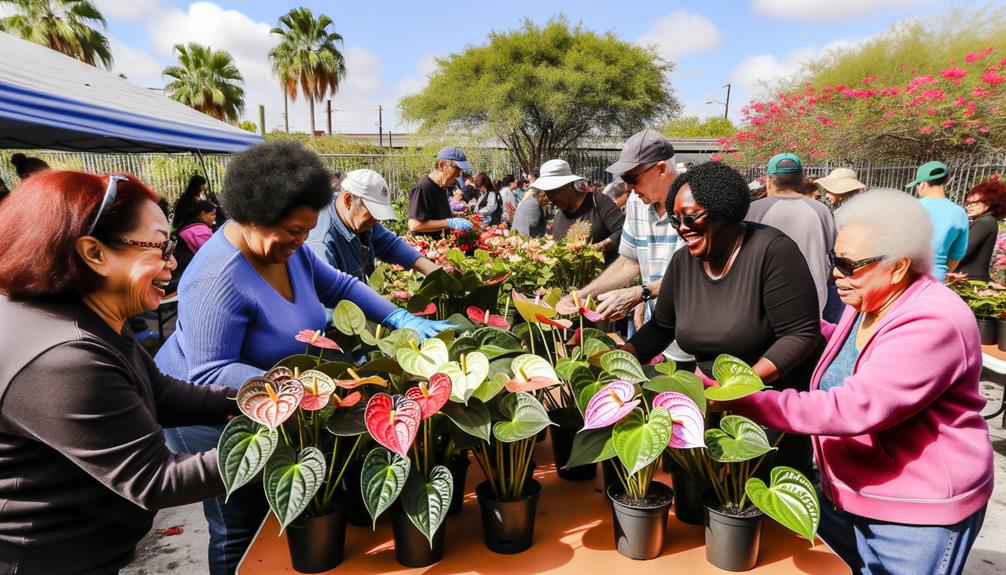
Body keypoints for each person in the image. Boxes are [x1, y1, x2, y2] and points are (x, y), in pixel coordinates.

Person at [155, 141, 452, 575]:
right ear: (253, 214)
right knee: (238, 525)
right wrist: (307, 387)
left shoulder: (289, 252)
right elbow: (211, 371)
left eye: (306, 230)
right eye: (293, 231)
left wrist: (400, 317)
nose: (301, 241)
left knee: (277, 520)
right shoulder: (216, 277)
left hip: (274, 401)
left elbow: (344, 287)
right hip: (209, 418)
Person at [723, 189, 992, 575]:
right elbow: (846, 351)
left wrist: (741, 400)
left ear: (898, 266)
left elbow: (854, 407)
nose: (836, 272)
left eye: (848, 264)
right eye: (834, 259)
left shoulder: (934, 321)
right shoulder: (874, 300)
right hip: (848, 492)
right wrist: (790, 323)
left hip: (914, 514)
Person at [0, 171, 238, 574]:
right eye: (161, 247)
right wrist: (283, 446)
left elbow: (159, 393)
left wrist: (258, 399)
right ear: (94, 253)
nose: (173, 262)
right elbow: (155, 479)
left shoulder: (86, 308)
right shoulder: (65, 357)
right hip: (46, 558)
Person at [624, 161, 822, 475]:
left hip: (769, 411)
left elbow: (801, 335)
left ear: (724, 211)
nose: (682, 228)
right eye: (676, 220)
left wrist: (737, 389)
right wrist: (620, 357)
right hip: (713, 402)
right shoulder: (683, 263)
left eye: (691, 217)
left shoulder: (773, 252)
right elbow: (663, 326)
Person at [563, 129, 693, 368]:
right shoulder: (636, 201)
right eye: (624, 177)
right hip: (661, 333)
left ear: (662, 168)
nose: (627, 186)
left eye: (633, 177)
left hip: (698, 336)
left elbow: (701, 276)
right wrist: (582, 296)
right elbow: (628, 262)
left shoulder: (695, 202)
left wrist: (641, 293)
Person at [308, 168, 438, 283]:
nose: (377, 221)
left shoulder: (357, 219)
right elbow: (329, 303)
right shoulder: (322, 243)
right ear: (348, 200)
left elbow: (390, 245)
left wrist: (433, 270)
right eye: (373, 213)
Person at [747, 153, 836, 318]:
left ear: (769, 179)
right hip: (812, 304)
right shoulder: (820, 210)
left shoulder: (753, 210)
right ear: (801, 179)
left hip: (762, 302)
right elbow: (833, 253)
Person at [535, 159, 624, 265]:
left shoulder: (598, 201)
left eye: (552, 193)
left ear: (567, 185)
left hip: (604, 277)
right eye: (547, 194)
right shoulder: (559, 215)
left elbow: (623, 231)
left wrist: (594, 249)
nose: (550, 199)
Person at [908, 160, 968, 281]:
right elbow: (957, 253)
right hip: (936, 277)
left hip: (907, 274)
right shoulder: (959, 213)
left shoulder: (911, 207)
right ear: (945, 182)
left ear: (922, 184)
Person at [408, 146, 474, 235]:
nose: (459, 175)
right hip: (427, 246)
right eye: (457, 169)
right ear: (442, 165)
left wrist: (454, 216)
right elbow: (414, 225)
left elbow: (436, 216)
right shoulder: (424, 188)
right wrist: (450, 222)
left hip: (442, 245)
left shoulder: (442, 187)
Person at [959, 179, 1006, 281]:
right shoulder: (987, 221)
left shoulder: (984, 222)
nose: (969, 206)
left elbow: (963, 251)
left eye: (975, 203)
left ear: (989, 203)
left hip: (969, 280)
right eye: (968, 203)